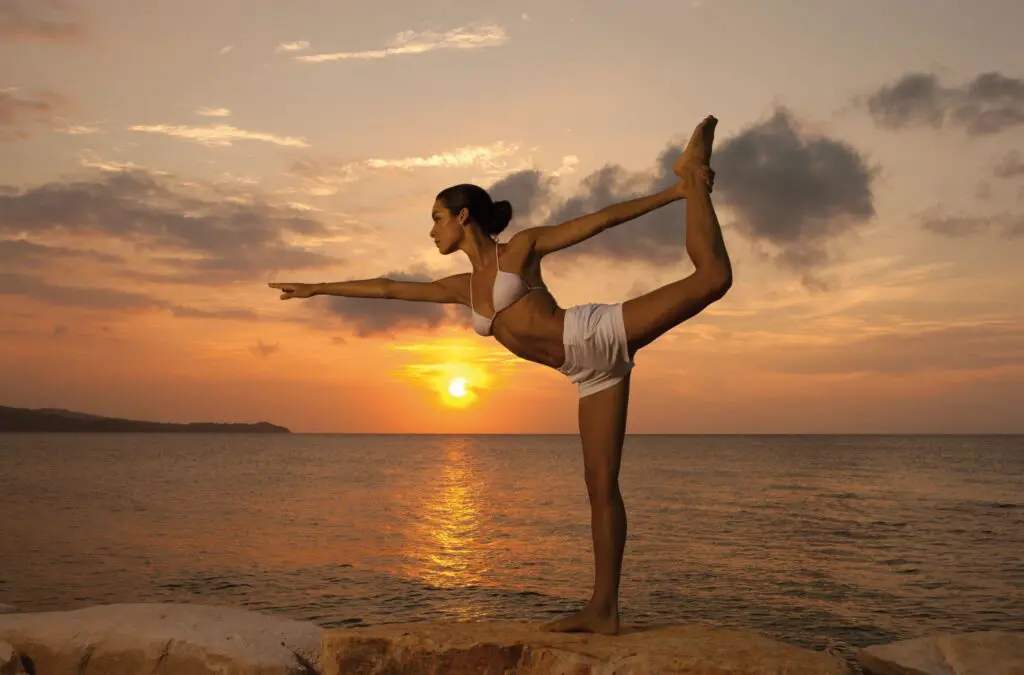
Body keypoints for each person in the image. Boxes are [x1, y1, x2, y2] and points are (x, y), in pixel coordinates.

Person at [269, 116, 731, 635]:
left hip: (594, 333)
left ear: (463, 217)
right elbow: (388, 288)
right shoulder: (461, 287)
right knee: (600, 486)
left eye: (437, 217)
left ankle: (692, 178)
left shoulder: (522, 249)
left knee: (713, 278)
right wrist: (318, 287)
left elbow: (600, 220)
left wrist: (673, 194)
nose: (431, 229)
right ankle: (603, 609)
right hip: (587, 375)